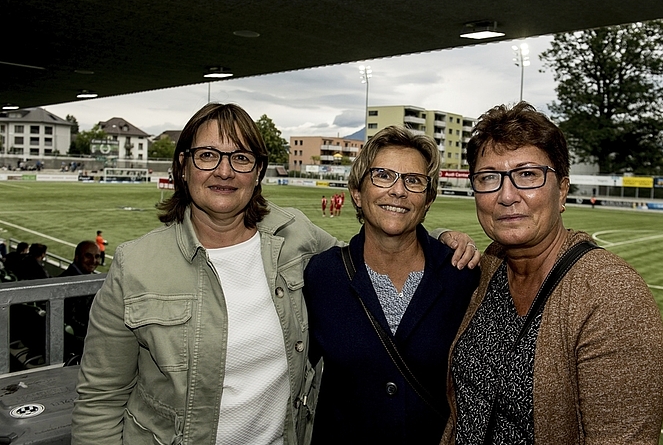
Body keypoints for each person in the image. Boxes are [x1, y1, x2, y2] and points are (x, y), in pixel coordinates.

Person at [72, 103, 478, 445]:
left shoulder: (293, 234)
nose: (225, 171)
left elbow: (368, 252)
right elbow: (99, 401)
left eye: (241, 157)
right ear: (183, 166)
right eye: (208, 155)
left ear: (258, 171)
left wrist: (440, 242)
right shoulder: (135, 265)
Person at [441, 102, 663, 444]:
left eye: (527, 174)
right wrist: (441, 237)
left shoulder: (611, 295)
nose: (506, 196)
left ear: (562, 189)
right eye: (489, 178)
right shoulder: (491, 267)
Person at [303, 126, 481, 445]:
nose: (398, 190)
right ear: (357, 192)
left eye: (413, 180)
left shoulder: (462, 275)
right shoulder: (322, 274)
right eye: (383, 175)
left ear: (427, 199)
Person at [59, 240, 101, 362]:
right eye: (88, 256)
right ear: (77, 257)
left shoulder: (81, 278)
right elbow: (72, 321)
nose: (94, 261)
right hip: (76, 343)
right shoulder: (72, 283)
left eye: (97, 256)